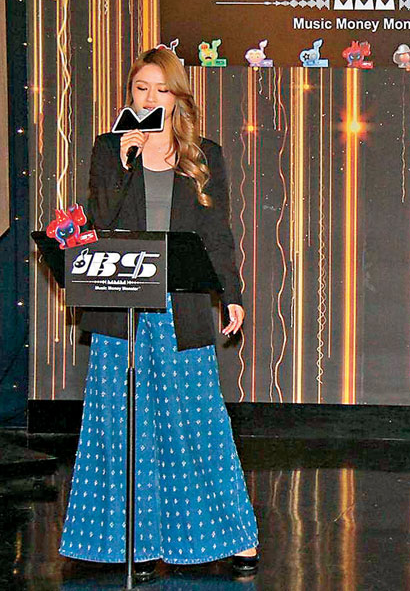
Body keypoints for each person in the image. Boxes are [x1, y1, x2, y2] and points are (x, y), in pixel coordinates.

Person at [58, 47, 259, 581]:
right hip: (121, 302)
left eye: (160, 90)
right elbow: (99, 223)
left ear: (177, 97)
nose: (149, 99)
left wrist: (232, 293)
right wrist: (125, 163)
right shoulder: (109, 150)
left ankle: (232, 537)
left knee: (197, 422)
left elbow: (217, 232)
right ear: (130, 94)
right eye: (140, 89)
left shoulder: (203, 154)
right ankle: (135, 543)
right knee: (122, 425)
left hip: (180, 304)